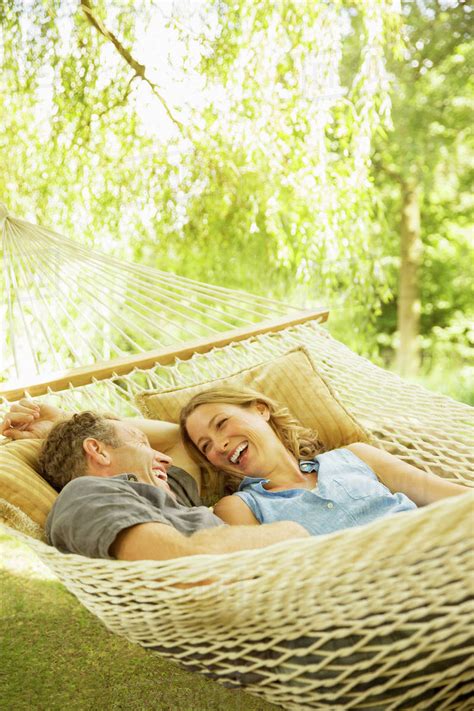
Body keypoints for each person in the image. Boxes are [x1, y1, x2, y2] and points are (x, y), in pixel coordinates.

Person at [1, 400, 308, 561]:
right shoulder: (85, 496)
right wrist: (290, 533)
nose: (165, 458)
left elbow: (179, 438)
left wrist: (62, 420)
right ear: (98, 451)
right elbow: (182, 562)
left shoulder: (171, 496)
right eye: (140, 441)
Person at [179, 387, 469, 534]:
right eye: (206, 447)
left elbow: (455, 498)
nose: (219, 445)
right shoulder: (240, 508)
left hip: (442, 552)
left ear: (260, 409)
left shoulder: (356, 455)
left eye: (221, 423)